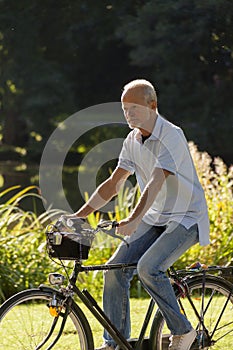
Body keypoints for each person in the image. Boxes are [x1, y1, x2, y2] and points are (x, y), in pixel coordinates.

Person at [66, 79, 210, 350]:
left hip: (185, 217)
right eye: (124, 109)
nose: (128, 114)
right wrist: (79, 215)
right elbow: (113, 184)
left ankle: (184, 332)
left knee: (148, 268)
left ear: (152, 105)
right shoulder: (132, 140)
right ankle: (116, 343)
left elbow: (156, 182)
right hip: (156, 217)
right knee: (113, 270)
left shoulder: (171, 135)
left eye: (134, 107)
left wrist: (133, 219)